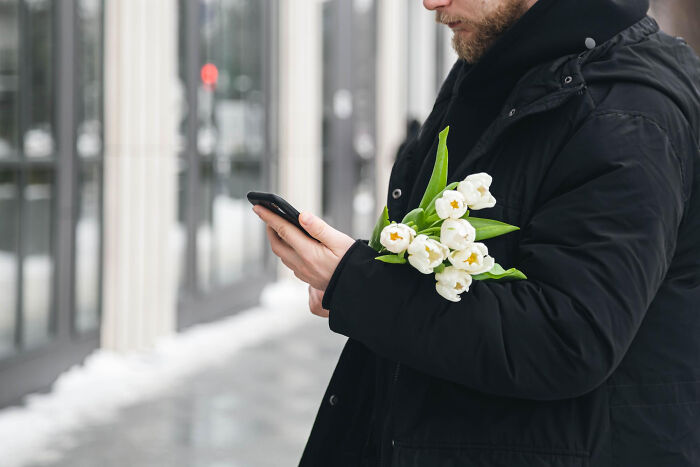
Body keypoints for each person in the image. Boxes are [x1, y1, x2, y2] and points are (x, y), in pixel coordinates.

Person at [252, 0, 700, 465]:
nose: (431, 2)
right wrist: (356, 283)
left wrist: (362, 288)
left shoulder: (628, 116)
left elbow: (568, 339)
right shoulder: (508, 69)